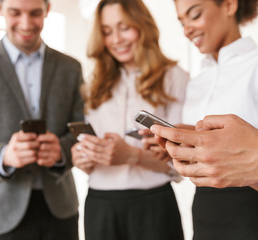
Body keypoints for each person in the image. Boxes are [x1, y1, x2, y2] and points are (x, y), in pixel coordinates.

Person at [150, 5, 258, 240]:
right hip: (205, 212)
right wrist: (181, 148)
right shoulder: (197, 81)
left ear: (229, 4)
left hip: (254, 213)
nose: (187, 28)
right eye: (181, 21)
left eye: (195, 14)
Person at [0, 0, 84, 239]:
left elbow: (82, 134)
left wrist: (61, 152)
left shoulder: (71, 68)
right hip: (0, 214)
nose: (26, 23)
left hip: (60, 211)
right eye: (15, 13)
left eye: (35, 13)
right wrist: (3, 156)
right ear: (0, 9)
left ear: (47, 10)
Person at [71, 0, 188, 239]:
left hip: (153, 205)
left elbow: (181, 163)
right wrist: (82, 157)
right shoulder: (94, 84)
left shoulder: (174, 77)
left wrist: (132, 155)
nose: (116, 39)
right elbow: (87, 145)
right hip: (100, 205)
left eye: (124, 27)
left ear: (142, 25)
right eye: (106, 31)